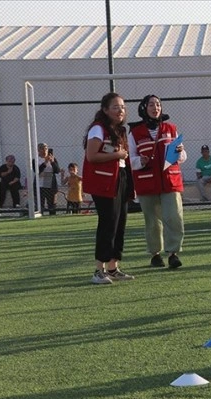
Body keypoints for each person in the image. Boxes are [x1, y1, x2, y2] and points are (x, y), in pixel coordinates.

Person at [127, 94, 187, 269]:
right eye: (151, 105)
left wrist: (180, 152)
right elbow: (130, 158)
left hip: (170, 181)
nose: (156, 108)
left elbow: (182, 157)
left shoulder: (171, 128)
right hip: (147, 183)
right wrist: (140, 161)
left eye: (158, 104)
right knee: (152, 221)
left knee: (174, 217)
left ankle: (173, 253)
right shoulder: (135, 132)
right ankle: (155, 255)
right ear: (144, 108)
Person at [82, 92, 134, 284]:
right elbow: (91, 156)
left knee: (120, 222)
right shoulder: (98, 129)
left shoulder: (119, 130)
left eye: (122, 107)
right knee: (108, 223)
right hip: (104, 182)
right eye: (115, 107)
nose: (120, 111)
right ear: (105, 110)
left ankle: (113, 267)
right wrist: (117, 155)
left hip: (119, 178)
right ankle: (98, 270)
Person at [35, 142, 61, 215]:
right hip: (40, 185)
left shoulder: (53, 159)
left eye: (46, 149)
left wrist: (52, 162)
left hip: (51, 185)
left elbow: (57, 171)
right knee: (40, 205)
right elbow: (37, 171)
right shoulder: (36, 160)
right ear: (38, 150)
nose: (44, 150)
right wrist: (45, 163)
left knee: (52, 205)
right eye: (42, 149)